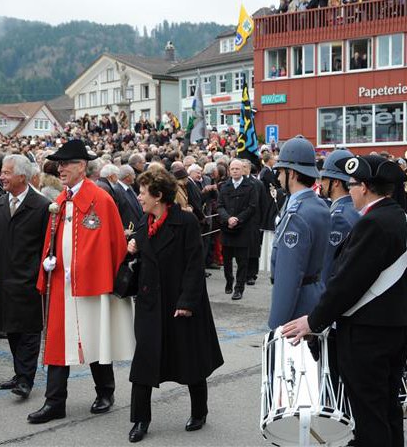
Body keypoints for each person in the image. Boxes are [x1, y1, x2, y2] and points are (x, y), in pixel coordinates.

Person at [283, 155, 407, 447]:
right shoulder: (398, 216)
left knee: (369, 415)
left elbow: (348, 283)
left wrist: (313, 321)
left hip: (367, 335)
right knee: (387, 407)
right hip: (394, 328)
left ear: (364, 187)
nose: (349, 191)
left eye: (352, 185)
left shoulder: (374, 223)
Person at [28, 140, 135, 424]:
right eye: (58, 164)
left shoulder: (100, 199)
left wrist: (97, 273)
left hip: (91, 283)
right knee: (57, 341)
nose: (60, 168)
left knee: (94, 336)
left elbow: (111, 243)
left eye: (65, 164)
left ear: (81, 166)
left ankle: (105, 392)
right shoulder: (60, 201)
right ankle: (55, 401)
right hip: (62, 283)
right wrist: (49, 260)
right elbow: (54, 239)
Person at [126, 169, 223, 443]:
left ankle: (199, 411)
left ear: (157, 196)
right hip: (150, 305)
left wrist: (187, 302)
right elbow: (136, 266)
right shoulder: (143, 225)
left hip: (180, 303)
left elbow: (195, 266)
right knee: (144, 364)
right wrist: (130, 249)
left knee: (189, 359)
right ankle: (140, 420)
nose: (139, 197)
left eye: (143, 192)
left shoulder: (186, 222)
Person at [0, 154, 50, 399]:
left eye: (6, 172)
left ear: (21, 177)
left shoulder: (42, 206)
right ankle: (18, 373)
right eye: (2, 172)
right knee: (11, 329)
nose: (1, 176)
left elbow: (47, 246)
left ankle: (26, 379)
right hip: (4, 279)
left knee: (29, 331)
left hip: (29, 279)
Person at [268, 136, 330, 329]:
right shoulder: (319, 205)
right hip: (315, 296)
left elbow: (289, 276)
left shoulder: (297, 216)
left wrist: (276, 325)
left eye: (280, 172)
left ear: (292, 174)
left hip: (297, 308)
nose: (278, 178)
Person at [217, 159, 258, 300]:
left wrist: (238, 219)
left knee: (242, 262)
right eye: (232, 169)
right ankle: (229, 280)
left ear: (242, 170)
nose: (234, 171)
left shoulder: (250, 186)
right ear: (229, 170)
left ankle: (239, 289)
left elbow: (252, 207)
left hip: (243, 228)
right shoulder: (224, 186)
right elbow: (220, 206)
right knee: (227, 261)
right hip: (227, 227)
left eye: (237, 169)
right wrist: (228, 218)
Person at [319, 150, 360, 285]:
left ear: (335, 182)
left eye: (324, 178)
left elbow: (328, 266)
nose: (321, 183)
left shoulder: (338, 217)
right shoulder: (354, 208)